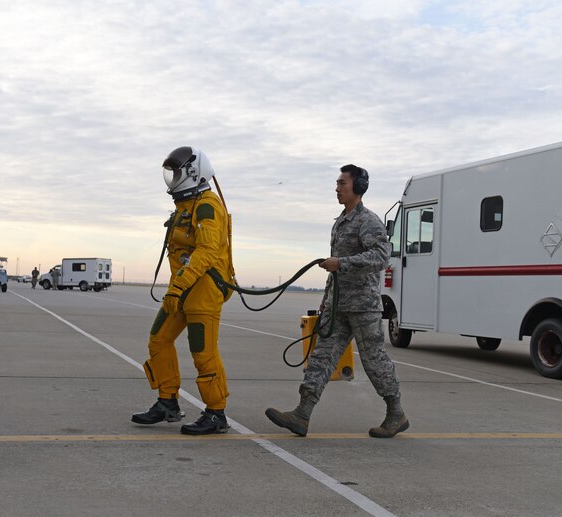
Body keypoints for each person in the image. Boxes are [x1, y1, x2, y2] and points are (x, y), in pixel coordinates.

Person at [265, 164, 409, 438]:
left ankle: (396, 413)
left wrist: (341, 262)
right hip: (338, 305)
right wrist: (326, 299)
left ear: (358, 187)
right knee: (320, 357)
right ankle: (302, 414)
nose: (337, 188)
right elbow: (336, 270)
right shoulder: (340, 222)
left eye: (342, 183)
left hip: (363, 306)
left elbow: (380, 257)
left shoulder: (368, 221)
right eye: (337, 183)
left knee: (374, 361)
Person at [131, 146, 232, 435]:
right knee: (158, 340)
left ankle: (216, 413)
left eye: (176, 172)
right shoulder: (186, 207)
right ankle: (167, 402)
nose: (172, 178)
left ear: (192, 172)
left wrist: (177, 287)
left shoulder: (207, 205)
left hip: (202, 292)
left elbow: (207, 251)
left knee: (203, 352)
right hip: (183, 290)